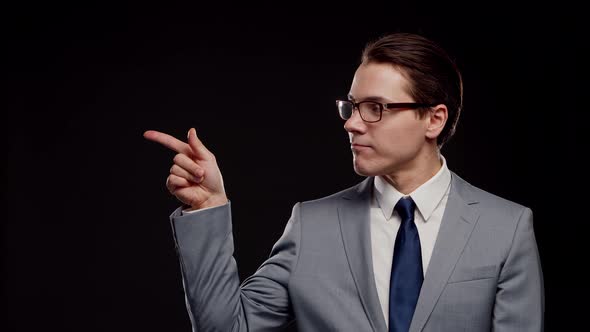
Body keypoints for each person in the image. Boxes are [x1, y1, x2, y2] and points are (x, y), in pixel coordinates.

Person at [144, 32, 544, 332]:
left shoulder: (505, 228)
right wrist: (208, 208)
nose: (352, 123)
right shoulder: (311, 225)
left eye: (375, 108)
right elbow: (229, 326)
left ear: (433, 119)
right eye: (352, 106)